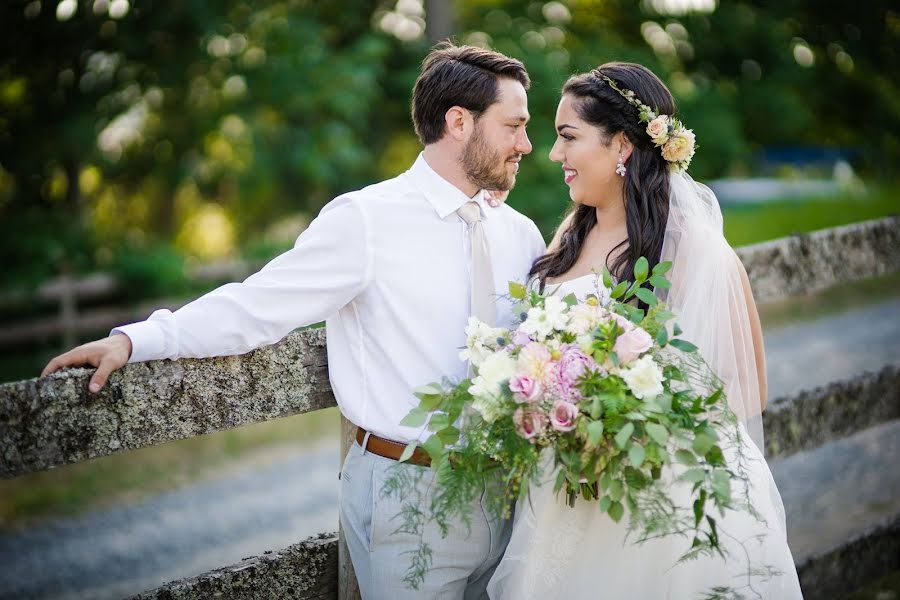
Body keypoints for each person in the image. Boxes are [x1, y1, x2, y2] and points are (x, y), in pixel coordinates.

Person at [42, 42, 546, 599]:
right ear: (458, 122)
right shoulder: (367, 221)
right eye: (514, 126)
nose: (527, 144)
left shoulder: (520, 233)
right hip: (408, 493)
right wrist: (137, 340)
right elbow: (258, 306)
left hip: (506, 488)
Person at [486, 63, 803, 599]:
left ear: (623, 148)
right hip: (566, 489)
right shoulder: (569, 234)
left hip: (657, 494)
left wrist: (624, 430)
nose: (553, 154)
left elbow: (747, 389)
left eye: (568, 137)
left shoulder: (693, 249)